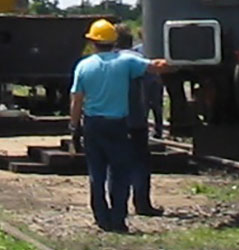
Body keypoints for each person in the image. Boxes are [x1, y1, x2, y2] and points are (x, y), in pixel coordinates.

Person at [68, 20, 166, 233]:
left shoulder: (83, 66)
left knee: (97, 173)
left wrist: (74, 127)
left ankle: (102, 218)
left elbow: (76, 100)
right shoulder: (126, 62)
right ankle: (118, 218)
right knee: (120, 173)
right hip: (118, 125)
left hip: (93, 125)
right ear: (114, 42)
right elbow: (156, 66)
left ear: (93, 42)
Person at [115, 26, 164, 217]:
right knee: (140, 163)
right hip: (136, 118)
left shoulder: (104, 61)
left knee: (115, 165)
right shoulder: (136, 61)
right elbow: (154, 76)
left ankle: (117, 206)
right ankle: (142, 204)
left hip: (113, 119)